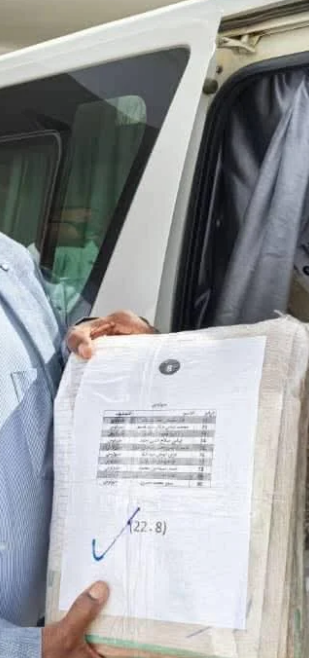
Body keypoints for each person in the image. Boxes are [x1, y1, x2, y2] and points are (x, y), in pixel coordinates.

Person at [0, 230, 155, 657]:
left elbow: (49, 373)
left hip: (53, 614)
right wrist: (23, 649)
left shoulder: (9, 257)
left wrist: (100, 342)